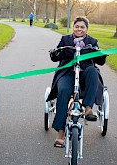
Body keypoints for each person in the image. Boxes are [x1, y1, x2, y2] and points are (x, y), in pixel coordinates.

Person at [46, 16, 107, 148]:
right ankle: (60, 134)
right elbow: (56, 57)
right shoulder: (65, 40)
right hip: (68, 72)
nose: (79, 29)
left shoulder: (92, 41)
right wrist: (55, 53)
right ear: (73, 27)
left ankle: (88, 108)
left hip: (85, 73)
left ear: (87, 29)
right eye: (77, 26)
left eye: (82, 27)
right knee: (63, 91)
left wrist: (100, 54)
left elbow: (100, 61)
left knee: (93, 71)